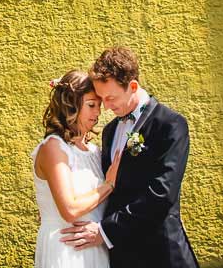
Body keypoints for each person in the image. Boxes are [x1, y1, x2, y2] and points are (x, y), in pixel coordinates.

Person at [60, 47, 200, 268]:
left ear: (132, 87)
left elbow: (162, 194)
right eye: (101, 99)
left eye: (111, 97)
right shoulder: (109, 131)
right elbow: (106, 186)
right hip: (122, 256)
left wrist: (105, 231)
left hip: (162, 253)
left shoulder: (170, 124)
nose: (105, 106)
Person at [32, 69, 122, 268]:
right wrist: (109, 184)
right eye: (91, 105)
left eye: (99, 106)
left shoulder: (94, 151)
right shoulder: (53, 148)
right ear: (70, 105)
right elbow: (70, 210)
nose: (97, 113)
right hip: (65, 249)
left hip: (95, 247)